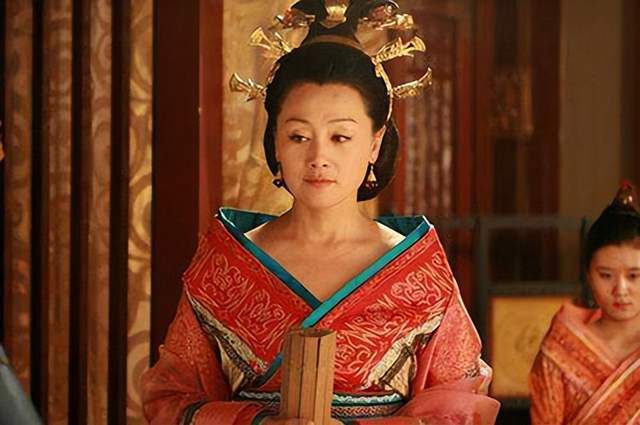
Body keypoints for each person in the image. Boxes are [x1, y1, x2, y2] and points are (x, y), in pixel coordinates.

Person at [141, 1, 499, 424]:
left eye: (340, 137)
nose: (318, 158)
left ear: (374, 144)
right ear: (275, 141)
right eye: (298, 136)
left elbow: (458, 406)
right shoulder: (225, 263)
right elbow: (171, 400)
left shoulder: (417, 270)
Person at [529, 182, 640, 424]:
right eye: (606, 275)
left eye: (634, 276)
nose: (620, 290)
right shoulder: (563, 345)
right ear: (589, 276)